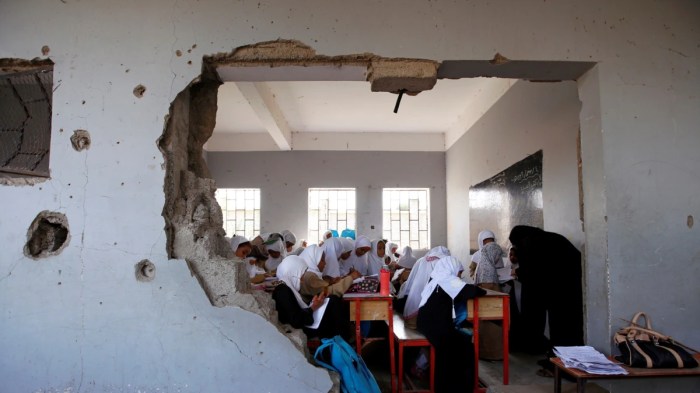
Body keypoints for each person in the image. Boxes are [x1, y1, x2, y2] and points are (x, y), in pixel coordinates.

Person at [508, 225, 584, 357]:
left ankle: (561, 363)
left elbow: (533, 270)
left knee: (560, 326)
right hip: (573, 285)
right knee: (571, 324)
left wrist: (518, 272)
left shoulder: (530, 243)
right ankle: (570, 360)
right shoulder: (549, 238)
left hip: (559, 288)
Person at [417, 255, 486, 393]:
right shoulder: (447, 280)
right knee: (465, 347)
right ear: (452, 269)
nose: (459, 276)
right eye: (459, 272)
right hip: (437, 328)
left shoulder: (436, 279)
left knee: (458, 344)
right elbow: (473, 291)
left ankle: (451, 385)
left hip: (426, 323)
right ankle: (459, 387)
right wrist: (480, 289)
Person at [271, 255, 350, 340]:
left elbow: (296, 310)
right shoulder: (282, 291)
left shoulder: (286, 287)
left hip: (303, 320)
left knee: (332, 300)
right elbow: (296, 320)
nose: (301, 281)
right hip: (299, 327)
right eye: (301, 276)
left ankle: (341, 341)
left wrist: (314, 303)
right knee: (333, 305)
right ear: (293, 273)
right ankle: (341, 342)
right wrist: (313, 307)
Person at [401, 246, 450, 328]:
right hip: (423, 315)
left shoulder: (422, 260)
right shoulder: (441, 262)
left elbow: (411, 280)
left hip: (411, 307)